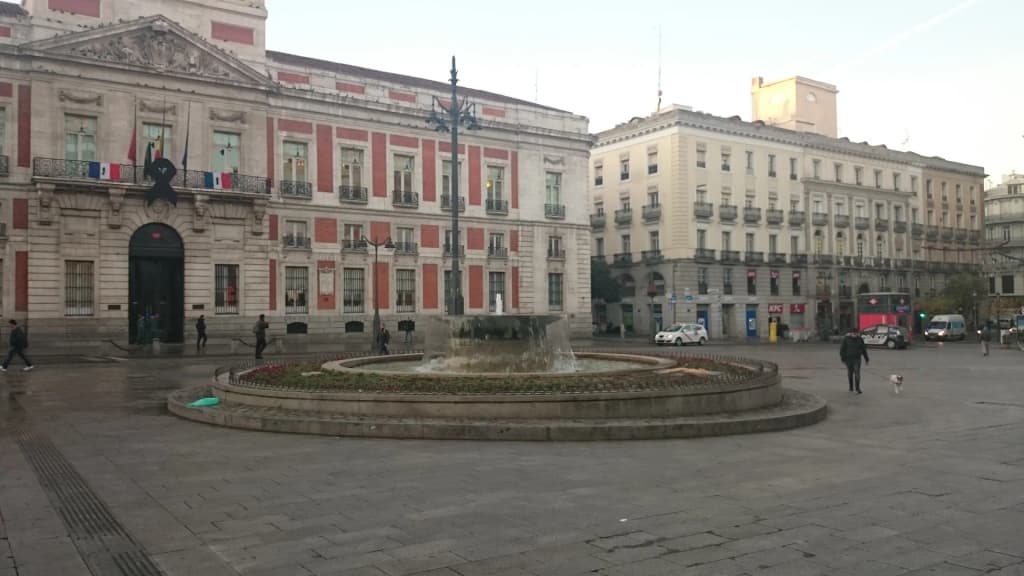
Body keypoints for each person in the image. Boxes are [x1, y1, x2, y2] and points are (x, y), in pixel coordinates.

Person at [839, 329, 869, 393]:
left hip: (857, 359)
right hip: (848, 359)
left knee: (857, 373)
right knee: (850, 373)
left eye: (856, 334)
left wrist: (866, 359)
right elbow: (842, 349)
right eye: (853, 334)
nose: (855, 335)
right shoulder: (846, 339)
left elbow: (864, 349)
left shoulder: (860, 339)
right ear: (851, 333)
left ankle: (857, 388)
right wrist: (843, 359)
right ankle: (851, 386)